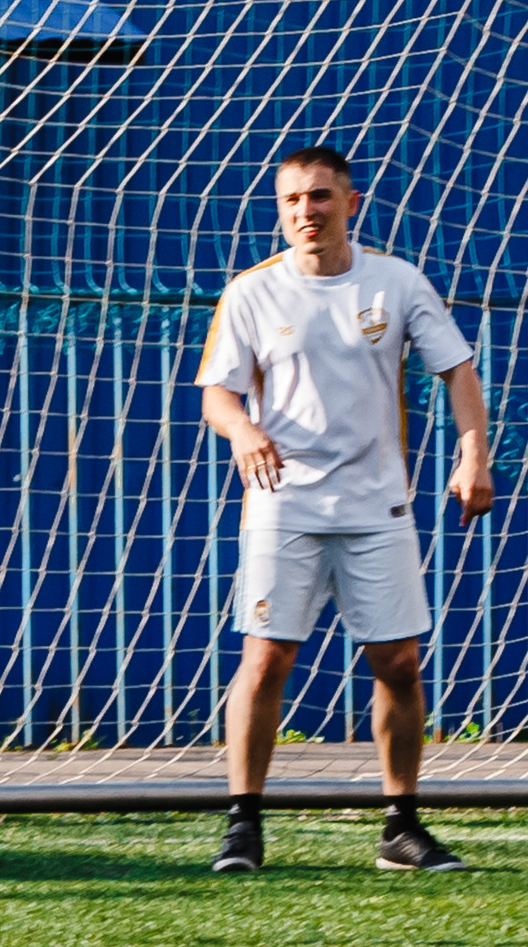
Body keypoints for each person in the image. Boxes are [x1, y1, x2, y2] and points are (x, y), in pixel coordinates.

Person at [197, 145, 494, 874]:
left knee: (398, 662)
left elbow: (458, 371)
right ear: (280, 210)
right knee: (265, 659)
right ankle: (243, 825)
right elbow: (217, 395)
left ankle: (401, 826)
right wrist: (243, 431)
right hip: (282, 504)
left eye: (321, 196)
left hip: (376, 504)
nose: (307, 211)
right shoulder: (251, 292)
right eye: (293, 200)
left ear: (350, 203)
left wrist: (473, 457)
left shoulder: (396, 281)